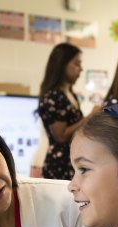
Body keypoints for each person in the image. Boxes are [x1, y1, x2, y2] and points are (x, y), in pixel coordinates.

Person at [38, 42, 85, 180]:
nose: (81, 69)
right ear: (62, 64)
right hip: (60, 165)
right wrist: (90, 117)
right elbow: (61, 136)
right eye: (76, 64)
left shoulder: (70, 94)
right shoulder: (53, 96)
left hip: (73, 159)